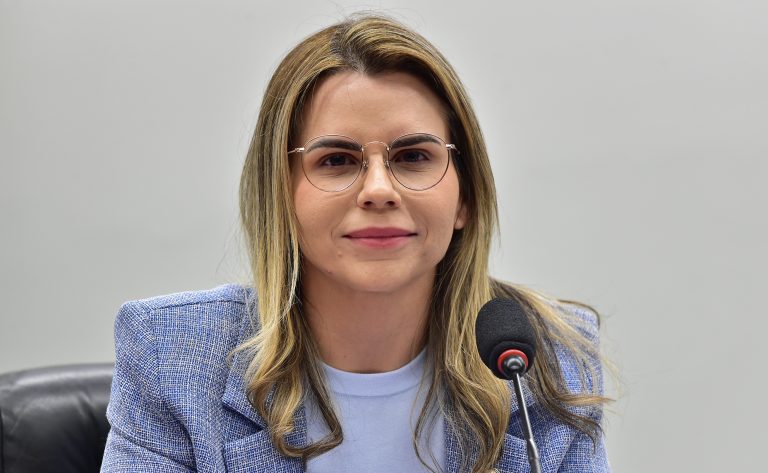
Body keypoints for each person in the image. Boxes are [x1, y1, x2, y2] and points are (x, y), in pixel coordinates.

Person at [101, 14, 610, 473]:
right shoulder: (170, 355)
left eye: (413, 157)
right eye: (337, 161)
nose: (379, 190)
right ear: (280, 198)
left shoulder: (549, 356)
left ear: (465, 197)